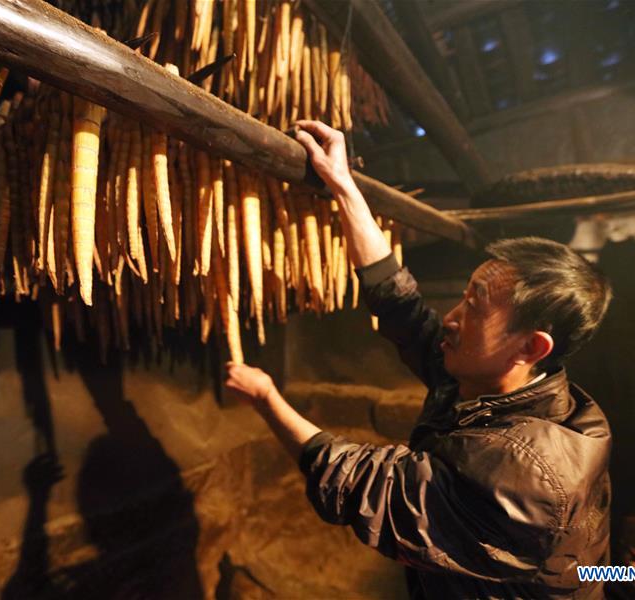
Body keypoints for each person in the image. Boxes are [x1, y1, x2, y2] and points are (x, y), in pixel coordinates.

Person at [225, 120, 614, 599]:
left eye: (473, 308)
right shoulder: (497, 384)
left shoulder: (530, 471)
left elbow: (363, 486)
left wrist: (266, 397)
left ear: (530, 348)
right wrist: (344, 187)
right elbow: (403, 309)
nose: (450, 319)